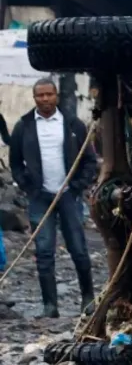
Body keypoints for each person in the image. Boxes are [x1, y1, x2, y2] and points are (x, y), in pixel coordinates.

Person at [9, 78, 96, 317]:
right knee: (44, 251)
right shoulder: (23, 126)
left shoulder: (73, 124)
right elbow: (15, 163)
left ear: (56, 96)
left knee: (78, 248)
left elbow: (89, 160)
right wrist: (28, 187)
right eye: (40, 95)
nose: (45, 99)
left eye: (49, 94)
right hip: (40, 197)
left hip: (68, 196)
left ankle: (88, 298)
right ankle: (50, 306)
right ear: (34, 98)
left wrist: (77, 186)